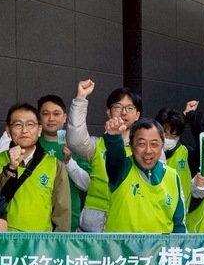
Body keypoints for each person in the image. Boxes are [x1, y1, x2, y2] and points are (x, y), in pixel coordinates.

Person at [66, 80, 142, 232]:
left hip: (130, 217)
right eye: (117, 107)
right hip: (95, 218)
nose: (124, 112)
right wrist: (81, 98)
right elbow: (75, 141)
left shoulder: (144, 149)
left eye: (129, 108)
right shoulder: (97, 145)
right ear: (109, 112)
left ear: (137, 115)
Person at [0, 103, 70, 232]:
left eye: (30, 124)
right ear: (8, 130)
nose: (24, 130)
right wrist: (11, 168)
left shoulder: (55, 165)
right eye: (18, 125)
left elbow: (62, 213)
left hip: (40, 244)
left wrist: (58, 246)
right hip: (6, 243)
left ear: (39, 130)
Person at [103, 117, 186, 233]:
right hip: (121, 250)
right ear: (131, 145)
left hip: (159, 250)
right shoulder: (122, 169)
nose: (148, 150)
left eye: (154, 144)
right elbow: (115, 155)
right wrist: (114, 137)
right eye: (141, 144)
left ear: (162, 145)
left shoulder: (172, 176)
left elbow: (179, 225)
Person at [37, 94, 91, 232]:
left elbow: (87, 185)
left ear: (65, 117)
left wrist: (69, 161)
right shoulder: (31, 143)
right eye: (45, 114)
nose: (51, 119)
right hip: (37, 222)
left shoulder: (74, 143)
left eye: (56, 114)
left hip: (68, 221)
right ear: (38, 117)